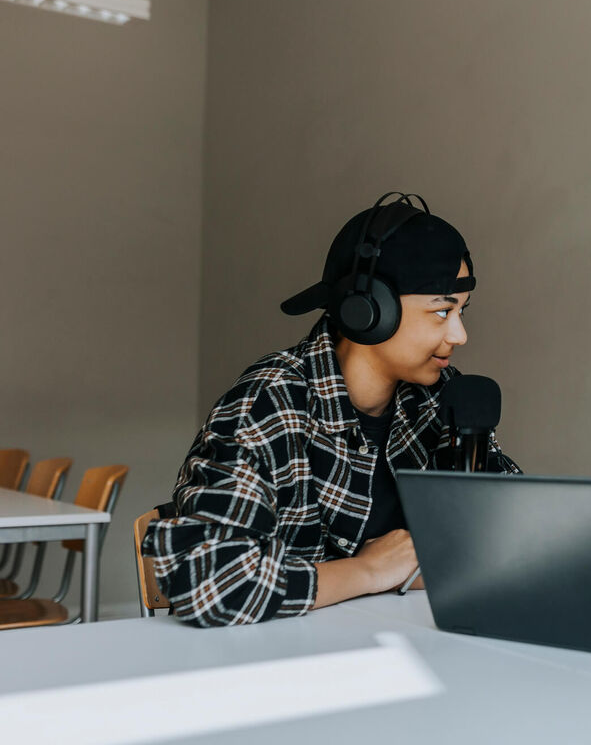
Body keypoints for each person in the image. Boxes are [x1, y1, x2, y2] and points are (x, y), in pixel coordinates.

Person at [143, 192, 520, 627]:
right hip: (276, 668)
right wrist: (370, 571)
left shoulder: (444, 400)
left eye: (461, 312)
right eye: (441, 312)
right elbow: (212, 583)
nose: (459, 335)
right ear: (369, 311)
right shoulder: (269, 402)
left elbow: (505, 540)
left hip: (411, 650)